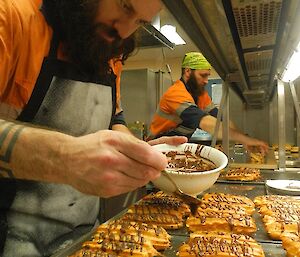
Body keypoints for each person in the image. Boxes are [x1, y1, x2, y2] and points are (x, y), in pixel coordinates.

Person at [0, 0, 188, 256]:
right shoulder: (11, 17)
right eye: (124, 6)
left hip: (87, 240)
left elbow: (114, 117)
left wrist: (134, 150)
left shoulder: (108, 51)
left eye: (140, 22)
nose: (124, 31)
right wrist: (66, 157)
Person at [149, 52, 269, 153]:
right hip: (159, 146)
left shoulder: (200, 95)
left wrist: (243, 139)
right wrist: (245, 140)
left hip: (178, 145)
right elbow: (205, 122)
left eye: (208, 76)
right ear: (187, 72)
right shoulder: (175, 93)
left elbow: (221, 120)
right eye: (203, 75)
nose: (206, 81)